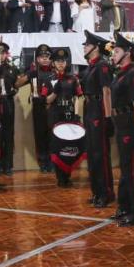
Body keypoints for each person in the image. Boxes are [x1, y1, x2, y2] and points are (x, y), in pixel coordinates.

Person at [110, 33, 134, 227]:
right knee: (125, 169)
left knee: (132, 171)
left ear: (128, 54)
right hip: (121, 122)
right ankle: (124, 207)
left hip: (131, 124)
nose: (113, 55)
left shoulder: (133, 74)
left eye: (117, 51)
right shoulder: (121, 73)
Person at [80, 31, 115, 207]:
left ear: (95, 48)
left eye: (87, 45)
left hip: (99, 109)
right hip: (89, 109)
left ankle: (106, 193)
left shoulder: (102, 66)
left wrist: (108, 118)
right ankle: (97, 191)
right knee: (92, 153)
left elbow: (106, 92)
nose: (85, 47)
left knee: (100, 154)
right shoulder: (90, 67)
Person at [43, 48, 83, 187]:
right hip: (55, 115)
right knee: (57, 146)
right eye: (58, 61)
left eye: (63, 61)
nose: (61, 64)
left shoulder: (73, 79)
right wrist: (55, 91)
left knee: (69, 145)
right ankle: (60, 175)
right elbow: (47, 100)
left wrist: (77, 115)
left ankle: (67, 174)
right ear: (53, 63)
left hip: (69, 114)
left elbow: (78, 97)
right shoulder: (48, 80)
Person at [0, 42, 24, 175]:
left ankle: (8, 165)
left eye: (3, 53)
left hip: (8, 102)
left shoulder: (12, 68)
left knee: (8, 133)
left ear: (6, 54)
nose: (0, 55)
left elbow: (17, 84)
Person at [17, 44, 54, 172]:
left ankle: (52, 161)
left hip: (53, 107)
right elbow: (18, 84)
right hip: (38, 107)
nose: (44, 59)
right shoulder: (34, 72)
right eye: (41, 57)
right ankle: (43, 162)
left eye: (47, 56)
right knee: (40, 135)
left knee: (53, 135)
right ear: (37, 59)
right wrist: (28, 74)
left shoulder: (55, 71)